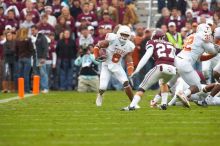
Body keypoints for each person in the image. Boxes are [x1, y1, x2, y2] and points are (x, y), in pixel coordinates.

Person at [122, 29, 177, 111]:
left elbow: (146, 57)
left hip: (160, 67)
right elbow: (174, 59)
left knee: (142, 87)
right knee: (164, 83)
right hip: (172, 69)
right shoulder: (171, 44)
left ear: (154, 36)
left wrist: (137, 70)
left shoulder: (152, 42)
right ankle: (163, 104)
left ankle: (132, 106)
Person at [172, 24, 219, 107]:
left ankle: (167, 103)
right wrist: (216, 49)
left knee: (170, 83)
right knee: (197, 86)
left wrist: (212, 55)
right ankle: (184, 94)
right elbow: (213, 50)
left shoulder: (192, 36)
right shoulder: (203, 37)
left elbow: (199, 58)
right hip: (185, 63)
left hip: (177, 60)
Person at [93, 25, 135, 107]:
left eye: (126, 35)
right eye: (123, 34)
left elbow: (129, 57)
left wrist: (130, 69)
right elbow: (98, 45)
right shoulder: (112, 38)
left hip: (117, 65)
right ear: (119, 33)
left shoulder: (130, 45)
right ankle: (100, 95)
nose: (124, 36)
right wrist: (96, 55)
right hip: (106, 65)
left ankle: (133, 103)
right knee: (103, 87)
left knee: (126, 82)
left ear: (129, 36)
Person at [31, 25, 49, 93]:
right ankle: (36, 88)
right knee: (35, 73)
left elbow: (45, 47)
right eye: (31, 30)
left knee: (43, 72)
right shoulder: (32, 38)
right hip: (35, 57)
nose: (32, 32)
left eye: (33, 30)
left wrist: (43, 57)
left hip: (40, 57)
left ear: (36, 30)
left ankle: (45, 88)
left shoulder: (42, 37)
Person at [15, 28, 34, 93]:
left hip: (20, 58)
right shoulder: (28, 40)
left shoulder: (18, 40)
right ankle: (27, 89)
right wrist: (29, 55)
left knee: (20, 74)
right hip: (27, 58)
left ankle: (20, 89)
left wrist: (19, 56)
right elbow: (32, 49)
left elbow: (16, 50)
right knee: (26, 75)